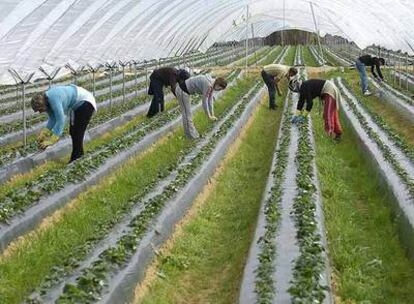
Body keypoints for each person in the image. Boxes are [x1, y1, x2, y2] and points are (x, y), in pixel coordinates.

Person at [31, 85, 97, 163]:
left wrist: (53, 138)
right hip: (77, 106)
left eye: (40, 109)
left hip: (85, 102)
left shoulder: (53, 99)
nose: (40, 112)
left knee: (77, 132)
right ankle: (79, 155)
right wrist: (44, 133)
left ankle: (76, 158)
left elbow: (60, 119)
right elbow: (52, 119)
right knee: (73, 132)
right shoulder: (47, 102)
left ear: (42, 104)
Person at [175, 75, 227, 139]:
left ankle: (191, 135)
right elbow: (204, 101)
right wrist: (208, 116)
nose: (219, 90)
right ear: (218, 85)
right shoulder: (208, 85)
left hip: (185, 92)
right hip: (182, 91)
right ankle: (192, 136)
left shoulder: (212, 84)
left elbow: (210, 100)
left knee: (188, 114)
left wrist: (212, 114)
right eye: (220, 89)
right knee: (187, 114)